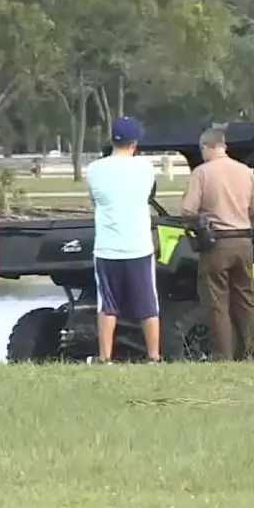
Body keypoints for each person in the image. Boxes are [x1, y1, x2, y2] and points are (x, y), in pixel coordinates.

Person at [180, 127, 254, 361]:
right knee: (246, 300)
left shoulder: (202, 173)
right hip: (243, 243)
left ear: (205, 147)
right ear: (224, 146)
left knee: (217, 303)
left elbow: (188, 210)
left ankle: (223, 355)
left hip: (217, 244)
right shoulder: (245, 171)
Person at [84, 115, 161, 363]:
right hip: (138, 245)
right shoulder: (146, 168)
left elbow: (94, 201)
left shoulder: (94, 169)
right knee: (148, 303)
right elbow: (148, 196)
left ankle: (105, 357)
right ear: (134, 142)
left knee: (107, 304)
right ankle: (154, 356)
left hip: (107, 247)